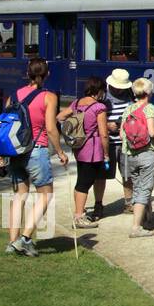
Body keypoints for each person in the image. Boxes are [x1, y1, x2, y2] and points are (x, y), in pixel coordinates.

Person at [2, 58, 71, 256]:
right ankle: (24, 239)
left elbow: (5, 127)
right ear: (47, 74)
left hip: (15, 152)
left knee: (19, 196)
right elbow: (50, 128)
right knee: (45, 194)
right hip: (37, 150)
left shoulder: (13, 96)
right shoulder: (48, 97)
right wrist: (60, 151)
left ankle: (12, 241)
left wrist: (1, 155)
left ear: (28, 73)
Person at [60, 76, 110, 228]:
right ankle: (79, 216)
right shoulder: (98, 108)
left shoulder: (77, 103)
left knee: (81, 180)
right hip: (93, 149)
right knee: (85, 182)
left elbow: (60, 116)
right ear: (99, 90)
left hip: (79, 147)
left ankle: (78, 212)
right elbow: (104, 134)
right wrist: (106, 154)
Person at [122, 78, 154, 238]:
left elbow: (121, 133)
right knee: (144, 190)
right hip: (146, 154)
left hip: (130, 155)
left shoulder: (128, 109)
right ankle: (136, 227)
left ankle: (143, 219)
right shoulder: (149, 108)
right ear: (149, 92)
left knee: (137, 187)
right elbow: (152, 132)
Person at [105, 68, 134, 217]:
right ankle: (98, 205)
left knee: (127, 174)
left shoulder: (130, 93)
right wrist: (106, 125)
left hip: (125, 142)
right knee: (101, 176)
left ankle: (129, 203)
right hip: (108, 142)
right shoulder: (103, 95)